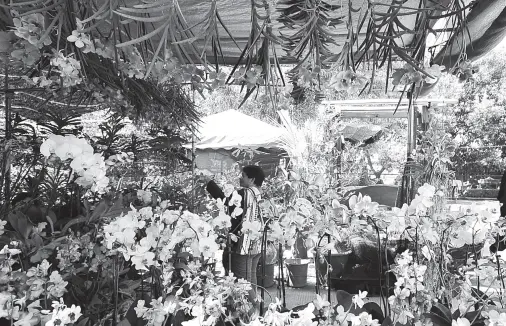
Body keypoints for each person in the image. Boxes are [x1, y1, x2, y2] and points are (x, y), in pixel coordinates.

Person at [206, 165, 265, 281]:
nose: (240, 178)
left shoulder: (245, 193)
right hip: (256, 245)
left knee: (242, 283)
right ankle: (256, 300)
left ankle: (255, 300)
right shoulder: (259, 194)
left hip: (242, 246)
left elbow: (224, 200)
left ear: (252, 179)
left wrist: (209, 183)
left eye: (243, 176)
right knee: (251, 280)